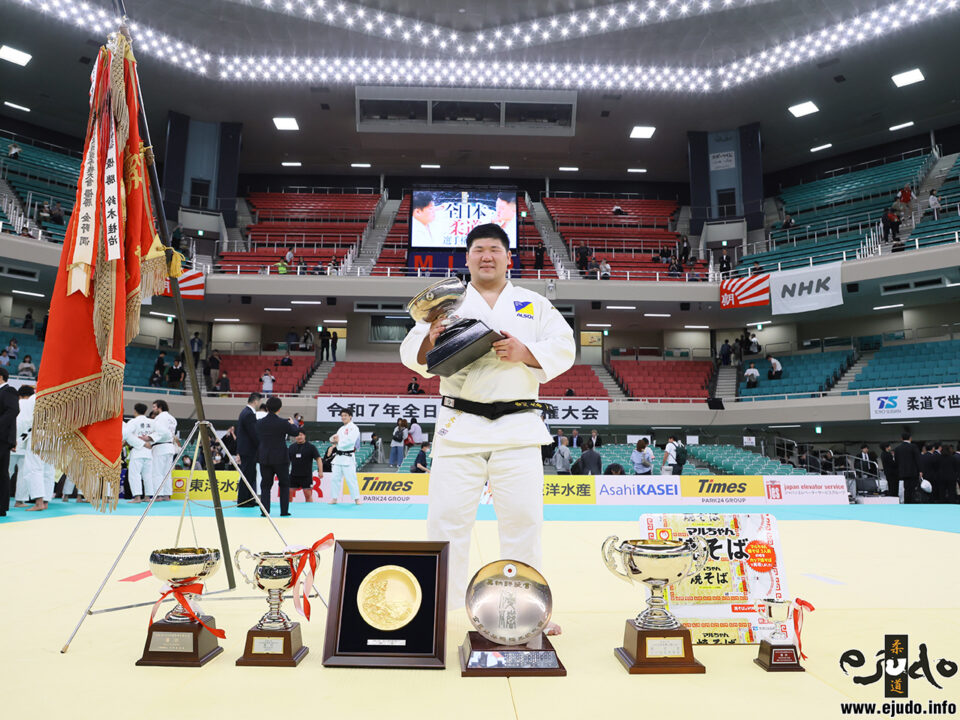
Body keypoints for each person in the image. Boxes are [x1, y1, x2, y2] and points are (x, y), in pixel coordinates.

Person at [400, 222, 576, 617]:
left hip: (517, 427)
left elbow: (564, 347)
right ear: (467, 258)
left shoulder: (533, 303)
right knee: (446, 522)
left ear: (508, 258)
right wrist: (430, 338)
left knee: (524, 522)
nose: (486, 256)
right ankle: (440, 613)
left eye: (494, 249)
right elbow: (411, 354)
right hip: (460, 425)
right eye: (478, 249)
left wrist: (525, 352)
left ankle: (525, 614)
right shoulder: (447, 304)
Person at [255, 397, 300, 516]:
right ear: (279, 409)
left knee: (265, 486)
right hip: (281, 458)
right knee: (284, 484)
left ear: (267, 408)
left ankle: (265, 512)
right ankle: (284, 511)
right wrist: (293, 424)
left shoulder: (259, 423)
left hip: (265, 457)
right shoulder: (283, 423)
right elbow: (296, 432)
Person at [123, 403, 155, 503]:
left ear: (135, 411)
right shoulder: (151, 422)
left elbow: (126, 434)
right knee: (148, 475)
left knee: (134, 475)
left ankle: (137, 497)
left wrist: (141, 443)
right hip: (149, 452)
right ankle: (147, 497)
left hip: (137, 452)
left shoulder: (133, 421)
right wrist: (148, 443)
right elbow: (158, 435)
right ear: (145, 411)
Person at [328, 407, 361, 505]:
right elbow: (333, 439)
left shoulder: (354, 428)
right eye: (342, 416)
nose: (343, 417)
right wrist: (333, 439)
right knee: (335, 478)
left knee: (351, 479)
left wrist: (339, 441)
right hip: (338, 458)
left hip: (348, 457)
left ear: (350, 416)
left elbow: (350, 441)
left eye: (345, 415)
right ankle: (334, 498)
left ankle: (357, 499)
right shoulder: (341, 429)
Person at [145, 400, 177, 501]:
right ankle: (167, 495)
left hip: (161, 447)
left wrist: (149, 438)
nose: (153, 409)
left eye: (154, 407)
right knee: (167, 472)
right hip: (170, 447)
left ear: (160, 407)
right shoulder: (172, 419)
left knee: (157, 472)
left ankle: (158, 495)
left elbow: (161, 432)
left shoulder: (160, 418)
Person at [235, 392, 262, 508]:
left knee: (250, 474)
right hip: (248, 450)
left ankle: (249, 499)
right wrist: (261, 445)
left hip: (247, 449)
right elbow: (253, 433)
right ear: (255, 401)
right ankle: (243, 500)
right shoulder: (249, 414)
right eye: (259, 402)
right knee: (247, 475)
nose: (259, 404)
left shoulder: (245, 412)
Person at [288, 432, 320, 504]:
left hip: (306, 476)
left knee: (307, 494)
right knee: (288, 493)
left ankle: (309, 509)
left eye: (301, 435)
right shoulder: (291, 447)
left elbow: (318, 459)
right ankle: (287, 508)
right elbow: (287, 461)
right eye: (297, 435)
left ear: (304, 436)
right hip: (293, 475)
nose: (299, 437)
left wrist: (320, 471)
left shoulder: (311, 447)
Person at [893, 432, 921, 503]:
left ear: (901, 439)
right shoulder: (913, 447)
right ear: (910, 438)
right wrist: (920, 470)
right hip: (913, 472)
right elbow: (918, 459)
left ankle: (907, 503)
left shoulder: (897, 448)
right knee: (913, 489)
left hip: (903, 472)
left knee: (906, 489)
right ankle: (913, 502)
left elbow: (896, 461)